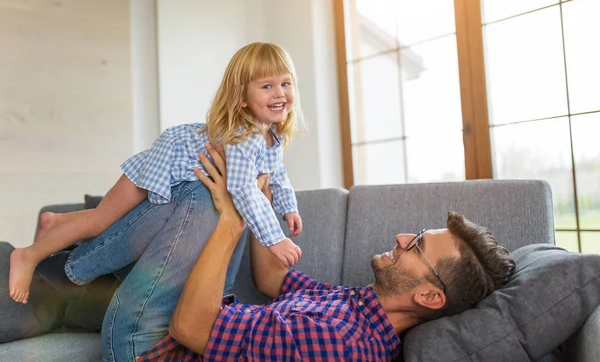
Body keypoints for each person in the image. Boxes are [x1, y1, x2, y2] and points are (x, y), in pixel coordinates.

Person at [135, 143, 517, 361]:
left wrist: (232, 221)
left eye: (417, 245)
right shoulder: (357, 304)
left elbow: (189, 329)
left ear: (429, 296)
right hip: (174, 319)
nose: (402, 238)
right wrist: (258, 201)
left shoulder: (339, 343)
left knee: (197, 202)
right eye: (415, 234)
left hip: (150, 345)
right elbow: (273, 279)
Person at [9, 42, 305, 305]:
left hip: (176, 170)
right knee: (99, 221)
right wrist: (273, 239)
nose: (280, 93)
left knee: (100, 218)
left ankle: (56, 222)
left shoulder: (271, 136)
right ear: (241, 98)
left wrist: (287, 207)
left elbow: (277, 174)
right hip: (164, 163)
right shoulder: (245, 137)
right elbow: (243, 189)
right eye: (267, 86)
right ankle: (28, 256)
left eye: (286, 83)